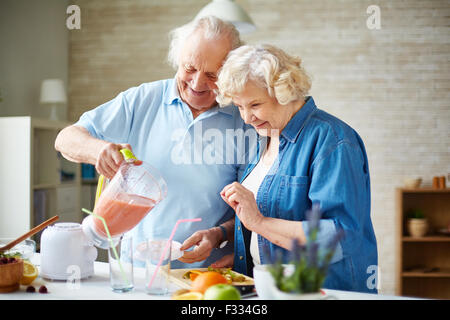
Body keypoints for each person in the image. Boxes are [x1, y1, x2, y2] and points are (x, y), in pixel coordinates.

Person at [54, 16, 256, 268]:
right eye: (190, 68)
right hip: (136, 270)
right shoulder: (143, 100)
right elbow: (65, 139)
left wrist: (220, 234)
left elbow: (253, 205)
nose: (197, 83)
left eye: (212, 75)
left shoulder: (245, 119)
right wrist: (99, 151)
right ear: (178, 59)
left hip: (203, 277)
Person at [213, 44, 378, 293]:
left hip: (323, 292)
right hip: (273, 290)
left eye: (255, 105)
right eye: (239, 106)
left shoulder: (332, 140)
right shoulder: (265, 136)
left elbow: (340, 237)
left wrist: (259, 222)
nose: (247, 118)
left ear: (286, 92)